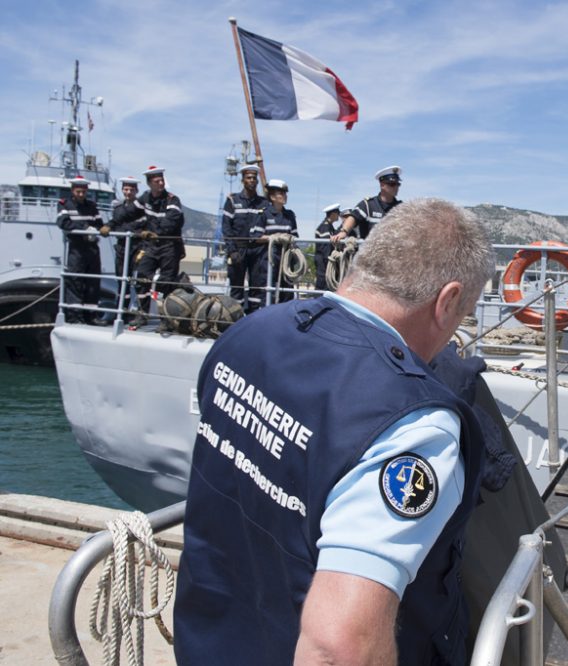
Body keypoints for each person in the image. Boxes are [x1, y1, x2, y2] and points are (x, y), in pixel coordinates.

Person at [174, 198, 496, 665]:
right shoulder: (415, 427)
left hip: (207, 643)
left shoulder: (247, 335)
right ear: (447, 302)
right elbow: (339, 647)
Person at [133, 166, 185, 325]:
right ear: (149, 183)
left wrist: (154, 231)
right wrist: (111, 224)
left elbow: (172, 221)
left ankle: (166, 320)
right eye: (157, 181)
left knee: (166, 282)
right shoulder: (145, 199)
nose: (161, 183)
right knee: (142, 276)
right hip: (151, 246)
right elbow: (131, 215)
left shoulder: (172, 200)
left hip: (170, 246)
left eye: (162, 180)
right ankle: (142, 314)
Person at [56, 176, 104, 324]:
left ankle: (91, 316)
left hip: (92, 248)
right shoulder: (64, 205)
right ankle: (75, 317)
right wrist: (85, 229)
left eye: (83, 192)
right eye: (78, 191)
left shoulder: (92, 206)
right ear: (72, 191)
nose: (81, 194)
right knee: (75, 282)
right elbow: (63, 223)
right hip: (76, 249)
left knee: (93, 282)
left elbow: (100, 224)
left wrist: (95, 231)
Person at [249, 179, 299, 306]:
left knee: (287, 292)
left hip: (286, 260)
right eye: (281, 194)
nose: (284, 196)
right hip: (269, 259)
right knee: (268, 292)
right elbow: (255, 237)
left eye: (285, 194)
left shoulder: (289, 216)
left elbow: (294, 236)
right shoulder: (264, 214)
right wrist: (274, 237)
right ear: (272, 197)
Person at [222, 164, 266, 308]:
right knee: (236, 287)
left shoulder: (263, 203)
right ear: (243, 180)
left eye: (254, 178)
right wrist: (232, 251)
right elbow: (226, 228)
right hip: (238, 250)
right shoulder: (233, 201)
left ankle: (253, 317)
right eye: (248, 178)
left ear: (257, 181)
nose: (252, 180)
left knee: (257, 288)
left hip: (257, 252)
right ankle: (236, 317)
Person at [333, 165, 403, 241]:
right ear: (382, 185)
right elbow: (353, 217)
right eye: (392, 184)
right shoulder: (368, 205)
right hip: (371, 251)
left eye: (398, 184)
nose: (396, 187)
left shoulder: (401, 208)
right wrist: (344, 232)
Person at [103, 176, 147, 283]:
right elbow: (116, 224)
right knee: (120, 277)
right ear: (122, 190)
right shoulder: (118, 209)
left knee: (136, 279)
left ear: (136, 191)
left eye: (132, 190)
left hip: (136, 247)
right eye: (126, 190)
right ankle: (122, 299)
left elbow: (144, 226)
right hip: (121, 247)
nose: (128, 192)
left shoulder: (142, 209)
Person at [313, 203, 341, 291]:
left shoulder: (330, 227)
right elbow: (325, 248)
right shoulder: (324, 228)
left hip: (326, 263)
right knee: (322, 287)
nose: (339, 215)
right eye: (338, 213)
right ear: (333, 214)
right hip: (324, 264)